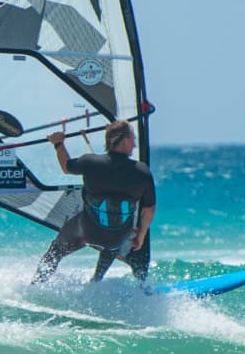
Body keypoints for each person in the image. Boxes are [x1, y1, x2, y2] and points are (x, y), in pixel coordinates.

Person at [31, 120, 156, 284]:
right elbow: (149, 209)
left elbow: (66, 167)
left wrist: (58, 143)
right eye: (133, 139)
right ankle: (96, 283)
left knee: (57, 249)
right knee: (115, 236)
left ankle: (36, 284)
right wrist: (140, 235)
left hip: (86, 230)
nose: (134, 144)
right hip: (116, 238)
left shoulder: (90, 162)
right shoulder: (142, 171)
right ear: (124, 141)